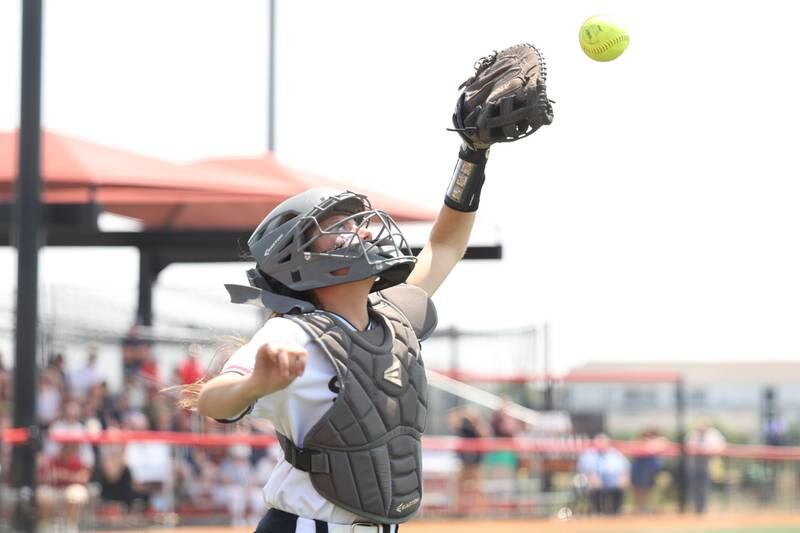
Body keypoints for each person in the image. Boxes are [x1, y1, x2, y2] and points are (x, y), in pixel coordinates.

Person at [185, 150, 488, 533]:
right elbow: (213, 401)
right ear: (301, 257)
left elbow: (445, 246)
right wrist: (254, 385)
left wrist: (472, 155)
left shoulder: (394, 316)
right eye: (339, 227)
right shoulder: (293, 332)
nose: (362, 231)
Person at [448, 406, 491, 516]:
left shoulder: (478, 428)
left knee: (478, 489)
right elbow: (453, 422)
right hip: (465, 464)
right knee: (459, 487)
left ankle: (483, 511)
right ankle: (457, 512)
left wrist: (476, 421)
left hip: (476, 465)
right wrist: (463, 414)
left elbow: (485, 435)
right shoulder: (464, 427)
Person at [576, 433, 630, 515]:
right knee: (596, 486)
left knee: (619, 487)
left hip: (613, 482)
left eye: (603, 441)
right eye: (599, 441)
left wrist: (623, 478)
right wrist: (592, 478)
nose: (601, 444)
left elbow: (625, 468)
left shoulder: (615, 453)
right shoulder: (588, 454)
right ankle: (598, 512)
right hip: (594, 483)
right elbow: (584, 469)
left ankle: (615, 512)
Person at [686, 417, 727, 514]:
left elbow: (722, 446)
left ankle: (703, 508)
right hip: (694, 464)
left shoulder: (713, 434)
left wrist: (709, 451)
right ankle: (696, 508)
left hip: (709, 463)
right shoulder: (693, 434)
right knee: (694, 487)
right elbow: (688, 447)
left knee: (705, 487)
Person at [630, 428, 667, 513]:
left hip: (654, 469)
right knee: (638, 488)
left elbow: (659, 446)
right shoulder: (638, 441)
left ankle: (652, 507)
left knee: (652, 489)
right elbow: (633, 450)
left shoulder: (659, 441)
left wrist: (649, 444)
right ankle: (639, 507)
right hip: (640, 467)